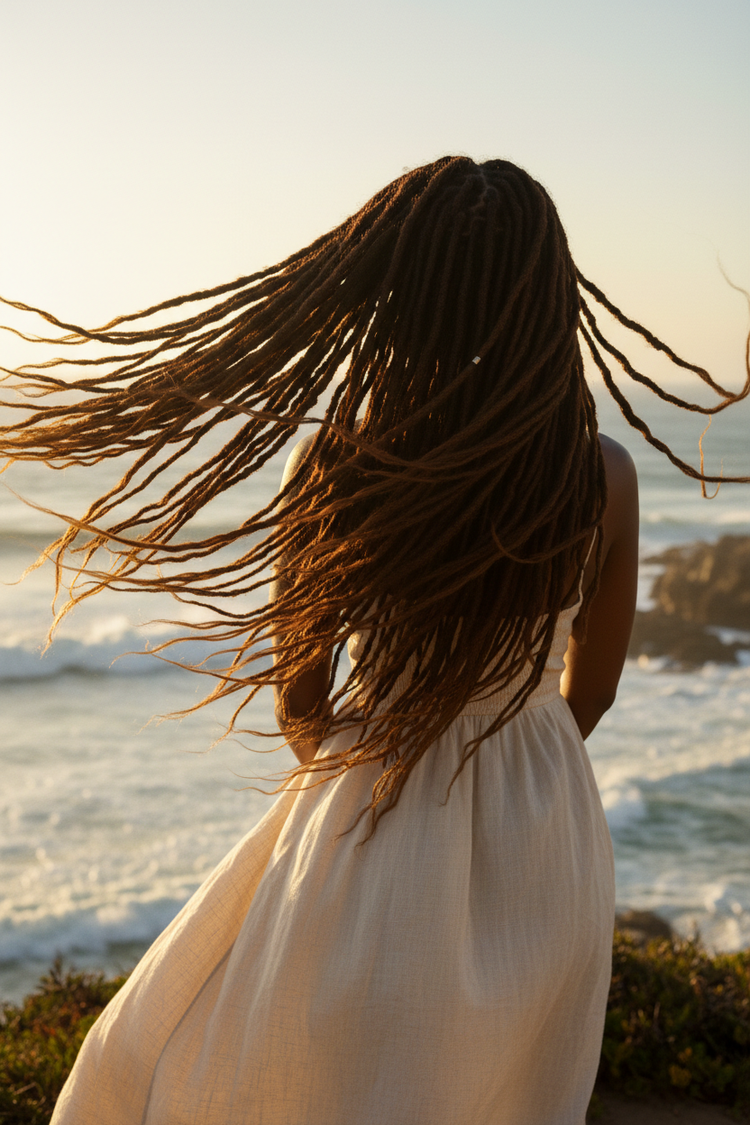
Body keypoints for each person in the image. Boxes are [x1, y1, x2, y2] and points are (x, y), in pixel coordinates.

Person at [2, 156, 748, 1125]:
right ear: (547, 300)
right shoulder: (601, 475)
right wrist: (515, 765)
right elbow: (593, 691)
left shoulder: (334, 469)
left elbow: (299, 702)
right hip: (548, 827)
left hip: (372, 802)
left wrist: (376, 790)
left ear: (393, 299)